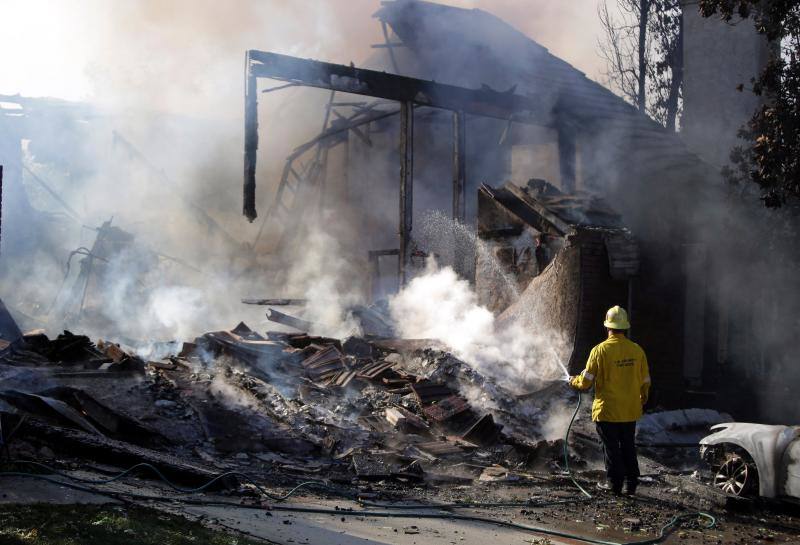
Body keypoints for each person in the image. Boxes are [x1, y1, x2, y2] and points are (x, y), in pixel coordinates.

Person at [569, 306, 650, 495]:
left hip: (607, 410)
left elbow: (586, 382)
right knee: (628, 445)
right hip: (630, 410)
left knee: (611, 447)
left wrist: (573, 381)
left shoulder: (599, 351)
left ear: (607, 327)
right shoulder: (637, 350)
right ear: (625, 327)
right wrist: (642, 398)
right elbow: (645, 380)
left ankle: (615, 484)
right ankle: (631, 483)